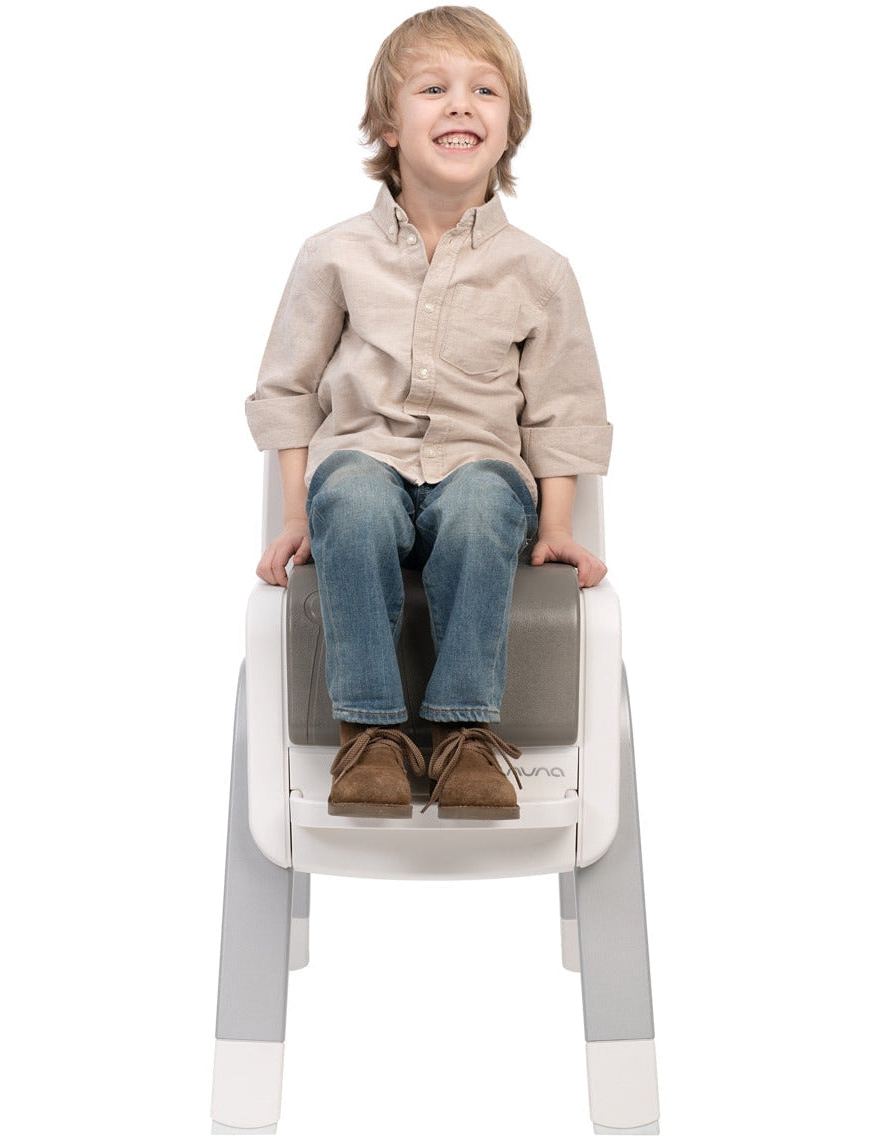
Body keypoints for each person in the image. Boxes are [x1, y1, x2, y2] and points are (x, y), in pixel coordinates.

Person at [245, 6, 612, 820]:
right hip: (362, 469)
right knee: (354, 495)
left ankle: (465, 734)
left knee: (481, 501)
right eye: (434, 88)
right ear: (387, 123)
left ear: (510, 127)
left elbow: (565, 411)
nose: (460, 105)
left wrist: (557, 528)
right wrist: (297, 516)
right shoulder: (333, 254)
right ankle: (370, 735)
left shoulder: (540, 272)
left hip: (480, 477)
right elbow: (288, 393)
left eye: (484, 90)